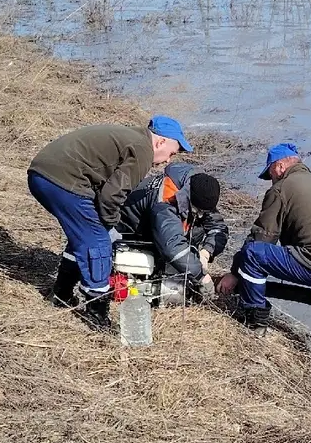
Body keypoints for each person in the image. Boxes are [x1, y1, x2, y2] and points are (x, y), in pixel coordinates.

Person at [217, 143, 311, 400]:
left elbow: (262, 238)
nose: (270, 181)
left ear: (280, 166)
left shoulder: (283, 188)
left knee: (253, 254)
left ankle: (255, 320)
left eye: (270, 174)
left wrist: (235, 272)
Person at [28, 116, 192, 328]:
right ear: (160, 142)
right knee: (98, 242)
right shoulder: (143, 150)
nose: (167, 161)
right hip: (61, 179)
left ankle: (61, 293)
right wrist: (111, 226)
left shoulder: (132, 138)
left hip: (43, 173)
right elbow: (112, 196)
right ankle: (96, 311)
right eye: (171, 153)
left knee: (83, 237)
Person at [119, 163, 229, 300]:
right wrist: (201, 276)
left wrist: (206, 252)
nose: (201, 215)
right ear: (189, 197)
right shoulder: (166, 200)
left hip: (164, 226)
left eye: (204, 212)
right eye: (198, 211)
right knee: (160, 260)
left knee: (196, 231)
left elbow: (219, 228)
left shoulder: (199, 189)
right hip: (137, 231)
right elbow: (172, 246)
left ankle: (184, 268)